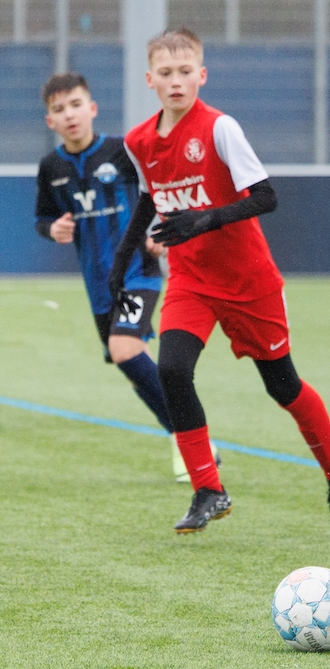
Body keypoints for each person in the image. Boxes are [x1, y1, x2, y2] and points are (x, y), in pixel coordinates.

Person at [108, 27, 330, 536]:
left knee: (283, 387)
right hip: (190, 280)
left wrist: (203, 220)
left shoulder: (220, 128)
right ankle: (208, 489)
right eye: (165, 73)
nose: (176, 81)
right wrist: (122, 259)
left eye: (185, 72)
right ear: (149, 80)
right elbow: (149, 198)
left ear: (201, 75)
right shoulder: (138, 141)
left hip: (249, 282)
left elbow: (266, 196)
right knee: (173, 369)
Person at [33, 72, 191, 482]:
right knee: (131, 365)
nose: (70, 115)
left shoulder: (122, 151)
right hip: (98, 285)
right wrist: (52, 229)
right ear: (50, 120)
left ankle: (189, 435)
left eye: (76, 105)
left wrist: (160, 231)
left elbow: (161, 189)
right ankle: (186, 435)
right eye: (59, 110)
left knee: (124, 350)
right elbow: (43, 217)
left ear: (92, 108)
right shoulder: (51, 167)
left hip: (138, 271)